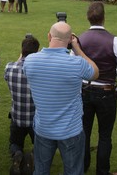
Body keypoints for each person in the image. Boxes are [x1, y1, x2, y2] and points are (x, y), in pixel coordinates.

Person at [23, 22, 99, 175]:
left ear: (49, 36)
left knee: (41, 171)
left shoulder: (30, 61)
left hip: (43, 128)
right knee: (73, 171)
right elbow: (95, 72)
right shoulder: (77, 63)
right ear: (70, 39)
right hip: (71, 130)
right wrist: (77, 48)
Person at [79, 2, 117, 175]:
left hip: (85, 90)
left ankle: (82, 167)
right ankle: (102, 171)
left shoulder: (80, 39)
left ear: (88, 17)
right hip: (106, 92)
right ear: (104, 17)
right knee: (105, 135)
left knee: (84, 131)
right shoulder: (115, 41)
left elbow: (74, 67)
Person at [4, 35, 40, 172]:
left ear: (22, 50)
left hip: (17, 117)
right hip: (35, 119)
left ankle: (17, 154)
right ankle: (32, 156)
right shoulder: (40, 71)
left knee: (14, 143)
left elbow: (16, 66)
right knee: (41, 146)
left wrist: (21, 56)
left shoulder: (9, 68)